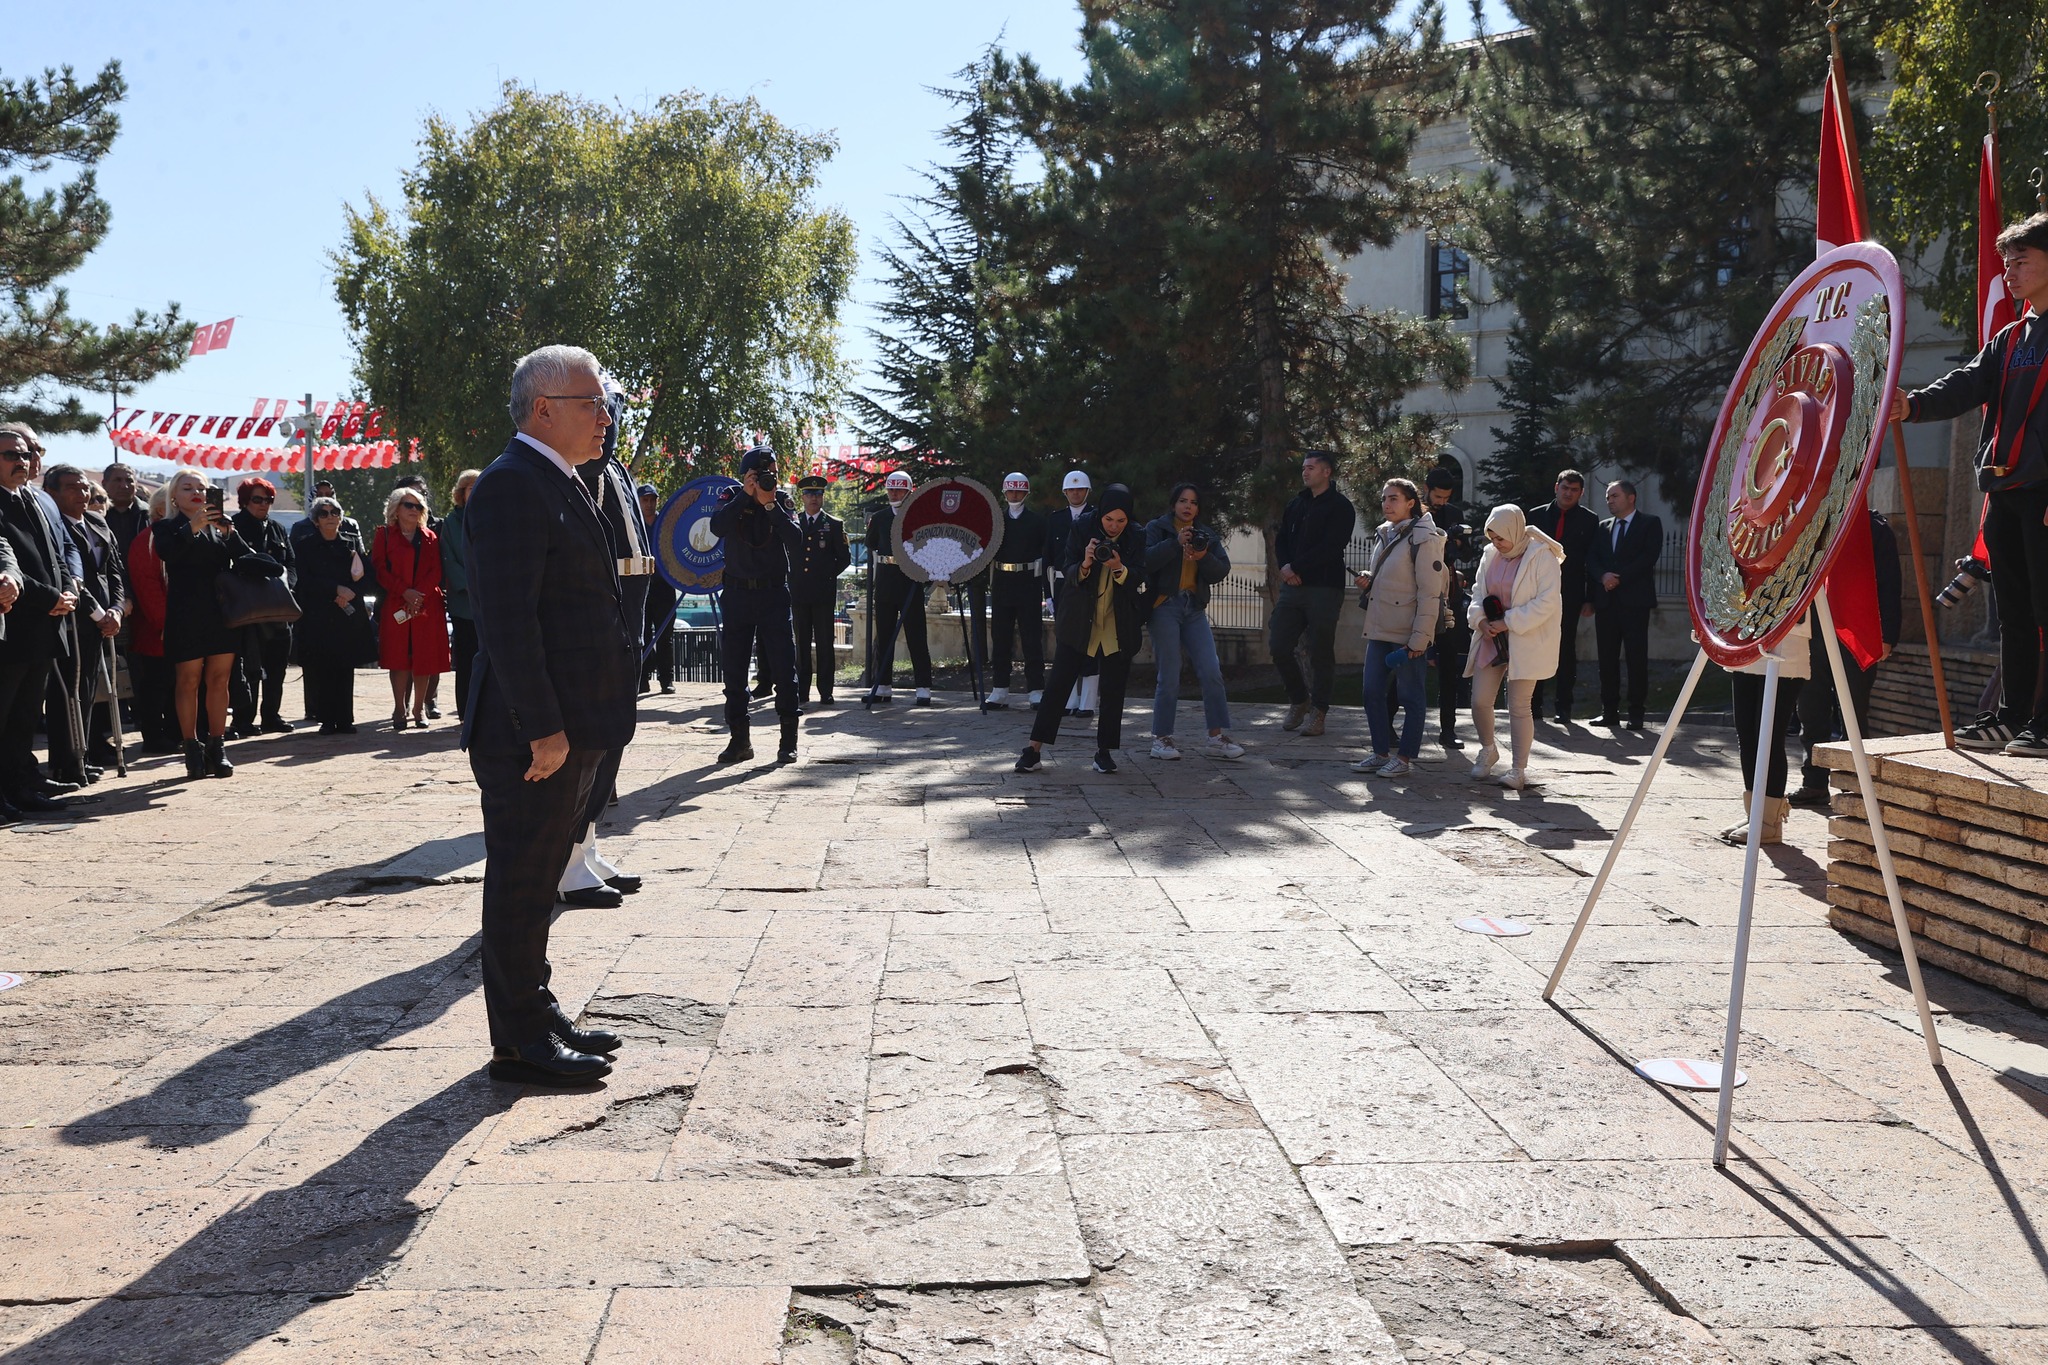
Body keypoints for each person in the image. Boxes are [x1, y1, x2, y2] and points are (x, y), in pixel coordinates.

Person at [464, 342, 637, 1086]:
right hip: (533, 733)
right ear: (544, 408)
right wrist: (543, 726)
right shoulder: (511, 485)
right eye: (593, 403)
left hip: (572, 725)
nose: (606, 417)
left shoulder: (561, 478)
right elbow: (507, 622)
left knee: (540, 883)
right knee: (520, 880)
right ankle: (518, 1041)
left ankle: (536, 1010)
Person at [1894, 213, 2048, 755]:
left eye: (2022, 258)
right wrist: (1911, 406)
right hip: (2005, 491)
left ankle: (2044, 726)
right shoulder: (2009, 338)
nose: (2010, 269)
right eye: (2007, 261)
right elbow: (1965, 384)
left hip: (2046, 494)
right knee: (2014, 612)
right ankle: (2010, 716)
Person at [557, 378, 657, 906]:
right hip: (609, 620)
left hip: (629, 618)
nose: (609, 420)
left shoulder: (609, 468)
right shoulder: (581, 474)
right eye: (602, 409)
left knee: (611, 746)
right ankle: (568, 859)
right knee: (592, 746)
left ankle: (587, 846)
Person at [1016, 484, 1149, 774]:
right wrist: (1087, 562)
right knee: (1058, 685)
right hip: (1079, 620)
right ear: (1100, 514)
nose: (1114, 527)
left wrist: (1118, 567)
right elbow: (1068, 566)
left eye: (1121, 521)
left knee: (1113, 691)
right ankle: (1033, 749)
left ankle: (1104, 752)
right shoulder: (1082, 527)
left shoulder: (1137, 535)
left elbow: (1139, 574)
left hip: (1116, 623)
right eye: (1109, 520)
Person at [1790, 510, 1903, 805]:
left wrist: (1887, 635)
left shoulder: (1874, 529)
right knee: (1810, 711)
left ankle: (1853, 783)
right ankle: (1814, 782)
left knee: (1852, 713)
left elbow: (1890, 584)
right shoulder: (1809, 522)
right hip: (1812, 632)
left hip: (1856, 632)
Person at [0, 425, 84, 815]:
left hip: (46, 626)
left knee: (24, 717)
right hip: (14, 625)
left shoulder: (32, 498)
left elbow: (56, 553)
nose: (21, 461)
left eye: (23, 454)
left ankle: (20, 785)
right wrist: (50, 597)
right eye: (10, 455)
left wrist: (68, 588)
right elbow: (11, 566)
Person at [155, 468, 251, 780]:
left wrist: (230, 534)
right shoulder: (167, 527)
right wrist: (191, 529)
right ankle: (191, 748)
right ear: (174, 495)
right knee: (188, 680)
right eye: (187, 488)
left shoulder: (219, 525)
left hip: (220, 614)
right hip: (185, 614)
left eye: (202, 487)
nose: (196, 492)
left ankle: (217, 745)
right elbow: (169, 554)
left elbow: (249, 560)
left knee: (220, 680)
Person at [711, 445, 802, 763]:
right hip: (737, 595)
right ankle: (739, 741)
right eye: (761, 473)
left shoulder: (781, 498)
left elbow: (796, 538)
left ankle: (787, 741)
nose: (768, 478)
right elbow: (716, 527)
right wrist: (744, 497)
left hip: (773, 595)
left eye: (772, 473)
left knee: (784, 670)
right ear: (746, 475)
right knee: (734, 672)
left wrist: (769, 506)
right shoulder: (731, 495)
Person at [1351, 478, 1447, 779]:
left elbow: (1429, 593)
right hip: (1379, 628)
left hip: (1408, 633)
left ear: (1410, 502)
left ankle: (1404, 758)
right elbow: (1392, 577)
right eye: (1384, 498)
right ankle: (1380, 752)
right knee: (1371, 692)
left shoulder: (1424, 537)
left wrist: (1420, 640)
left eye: (1393, 498)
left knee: (1411, 695)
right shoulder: (1384, 533)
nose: (1386, 504)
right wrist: (1370, 578)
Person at [1464, 506, 1565, 791]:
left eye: (1500, 538)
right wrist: (1481, 621)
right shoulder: (1489, 555)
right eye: (1492, 537)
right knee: (1480, 700)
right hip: (1491, 637)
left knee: (1519, 706)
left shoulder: (1541, 555)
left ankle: (1518, 769)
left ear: (1514, 531)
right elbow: (1477, 593)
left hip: (1525, 638)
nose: (1496, 544)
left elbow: (1548, 601)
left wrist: (1508, 622)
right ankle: (1488, 749)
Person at [1144, 483, 1242, 760]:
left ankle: (1217, 736)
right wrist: (1175, 543)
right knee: (1170, 674)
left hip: (1194, 608)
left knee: (1211, 671)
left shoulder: (1206, 534)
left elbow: (1221, 569)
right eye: (1183, 501)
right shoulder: (1157, 528)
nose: (1188, 507)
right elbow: (1145, 561)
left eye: (1194, 502)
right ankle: (1161, 738)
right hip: (1164, 606)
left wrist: (1202, 556)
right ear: (1173, 503)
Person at [45, 464, 123, 784]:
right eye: (72, 488)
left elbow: (114, 572)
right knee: (68, 692)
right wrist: (97, 613)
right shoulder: (54, 526)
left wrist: (117, 609)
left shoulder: (97, 522)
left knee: (89, 689)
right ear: (52, 493)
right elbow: (73, 575)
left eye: (84, 487)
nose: (82, 493)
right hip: (73, 618)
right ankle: (65, 762)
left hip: (102, 620)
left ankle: (84, 755)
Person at [1270, 449, 1357, 738]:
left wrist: (1296, 566)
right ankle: (1298, 699)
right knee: (1278, 645)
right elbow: (1281, 539)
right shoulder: (1296, 503)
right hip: (1291, 587)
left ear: (1326, 472)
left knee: (1321, 652)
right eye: (1303, 467)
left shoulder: (1341, 507)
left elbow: (1331, 547)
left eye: (1310, 467)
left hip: (1323, 588)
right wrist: (1285, 566)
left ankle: (1318, 711)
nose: (1305, 472)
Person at [1717, 613, 1811, 846]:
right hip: (1747, 635)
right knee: (1746, 733)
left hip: (1785, 640)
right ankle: (1754, 813)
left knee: (1767, 736)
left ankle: (1769, 821)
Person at [1584, 479, 1663, 730]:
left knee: (1636, 658)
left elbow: (1648, 557)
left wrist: (1619, 578)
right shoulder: (1603, 527)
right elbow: (1592, 558)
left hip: (1634, 602)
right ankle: (1609, 711)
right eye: (1608, 497)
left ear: (1631, 497)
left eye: (1614, 496)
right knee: (1606, 659)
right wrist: (1602, 577)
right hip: (1607, 603)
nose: (1610, 501)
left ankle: (1636, 713)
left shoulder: (1649, 523)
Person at [1527, 470, 1602, 724]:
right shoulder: (1536, 516)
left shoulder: (1589, 520)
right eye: (1565, 488)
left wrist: (1590, 598)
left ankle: (1563, 707)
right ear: (1556, 487)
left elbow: (1592, 560)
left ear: (1581, 493)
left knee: (1565, 648)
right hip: (1536, 593)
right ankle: (1533, 705)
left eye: (1574, 490)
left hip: (1570, 594)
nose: (1568, 493)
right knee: (1535, 645)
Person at [373, 486, 451, 730]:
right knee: (399, 659)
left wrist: (418, 595)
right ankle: (399, 708)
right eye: (409, 505)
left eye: (418, 506)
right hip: (397, 603)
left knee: (424, 658)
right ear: (396, 509)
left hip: (426, 605)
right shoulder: (383, 534)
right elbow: (379, 569)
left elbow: (436, 570)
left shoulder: (430, 537)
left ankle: (419, 709)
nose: (415, 510)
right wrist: (404, 591)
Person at [227, 477, 295, 737]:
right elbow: (242, 561)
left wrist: (288, 584)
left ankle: (271, 716)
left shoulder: (277, 528)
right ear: (245, 501)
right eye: (257, 499)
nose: (264, 504)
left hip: (278, 606)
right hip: (249, 609)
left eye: (268, 500)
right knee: (250, 667)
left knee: (277, 666)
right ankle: (243, 719)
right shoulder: (235, 527)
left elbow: (290, 562)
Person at [296, 497, 370, 734]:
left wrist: (350, 593)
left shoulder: (351, 544)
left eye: (335, 512)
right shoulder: (306, 545)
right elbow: (303, 580)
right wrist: (334, 590)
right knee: (323, 667)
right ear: (316, 521)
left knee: (345, 667)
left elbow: (365, 574)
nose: (331, 517)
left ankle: (345, 719)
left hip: (346, 615)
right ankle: (327, 719)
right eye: (324, 514)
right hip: (319, 614)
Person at [864, 469, 932, 705]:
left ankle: (923, 686)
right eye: (891, 489)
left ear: (908, 491)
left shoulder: (917, 516)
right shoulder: (881, 517)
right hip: (885, 580)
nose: (894, 493)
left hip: (909, 580)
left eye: (899, 489)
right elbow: (872, 544)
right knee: (884, 635)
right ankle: (883, 685)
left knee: (916, 635)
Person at [123, 486, 179, 755]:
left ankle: (174, 732)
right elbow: (148, 588)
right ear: (161, 509)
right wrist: (165, 624)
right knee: (156, 686)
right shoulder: (148, 539)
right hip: (156, 631)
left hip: (176, 628)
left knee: (173, 684)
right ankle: (154, 736)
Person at [1422, 468, 1475, 751]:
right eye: (1437, 496)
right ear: (1426, 489)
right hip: (1420, 595)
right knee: (1410, 659)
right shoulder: (1416, 513)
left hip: (1448, 594)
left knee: (1449, 662)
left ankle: (1448, 730)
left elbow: (1466, 553)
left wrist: (1456, 541)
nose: (1441, 502)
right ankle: (1389, 722)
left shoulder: (1453, 513)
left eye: (1446, 497)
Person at [985, 472, 1047, 708]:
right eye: (1010, 491)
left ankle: (1035, 690)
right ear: (1004, 493)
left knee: (1032, 637)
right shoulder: (997, 521)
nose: (1014, 495)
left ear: (1026, 493)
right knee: (1000, 637)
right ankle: (1000, 689)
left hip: (1028, 582)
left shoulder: (1038, 522)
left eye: (1019, 491)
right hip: (1002, 582)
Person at [1042, 470, 1100, 715]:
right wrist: (1048, 595)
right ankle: (1069, 700)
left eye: (1080, 489)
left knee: (1090, 642)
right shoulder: (1055, 519)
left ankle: (1087, 701)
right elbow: (1047, 560)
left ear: (1087, 492)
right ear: (1065, 492)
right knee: (1066, 642)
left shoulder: (1097, 518)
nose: (1075, 493)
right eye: (1071, 490)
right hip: (1062, 586)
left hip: (1089, 584)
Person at [790, 474, 850, 704]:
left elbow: (844, 558)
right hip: (799, 592)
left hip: (823, 593)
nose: (813, 499)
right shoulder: (794, 523)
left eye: (817, 494)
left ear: (822, 497)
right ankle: (802, 690)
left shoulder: (834, 525)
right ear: (802, 497)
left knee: (825, 643)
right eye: (809, 494)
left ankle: (826, 690)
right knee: (801, 644)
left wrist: (825, 575)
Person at [440, 469, 481, 719]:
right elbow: (449, 559)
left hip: (490, 602)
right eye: (470, 487)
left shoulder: (493, 517)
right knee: (466, 659)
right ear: (460, 493)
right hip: (464, 603)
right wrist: (472, 583)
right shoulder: (451, 522)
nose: (475, 491)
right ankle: (466, 711)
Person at [638, 483, 678, 694]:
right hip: (641, 586)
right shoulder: (633, 524)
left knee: (665, 637)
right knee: (641, 635)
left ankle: (666, 681)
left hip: (664, 586)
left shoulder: (665, 523)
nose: (650, 504)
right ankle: (642, 680)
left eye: (652, 499)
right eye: (645, 500)